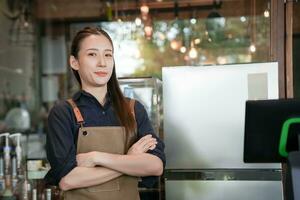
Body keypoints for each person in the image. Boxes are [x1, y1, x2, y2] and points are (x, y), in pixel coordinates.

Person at [44, 27, 165, 200]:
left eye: (108, 55)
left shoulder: (133, 110)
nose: (102, 62)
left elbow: (155, 166)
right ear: (74, 62)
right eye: (92, 54)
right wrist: (129, 159)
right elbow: (68, 180)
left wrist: (96, 158)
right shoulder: (63, 113)